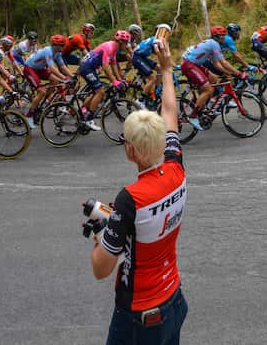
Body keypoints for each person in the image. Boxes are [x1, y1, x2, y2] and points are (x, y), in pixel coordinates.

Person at [91, 34, 188, 345]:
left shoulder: (130, 198)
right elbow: (170, 112)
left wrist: (100, 235)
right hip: (173, 297)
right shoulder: (176, 168)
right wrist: (167, 69)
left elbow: (101, 269)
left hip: (139, 312)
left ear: (130, 151)